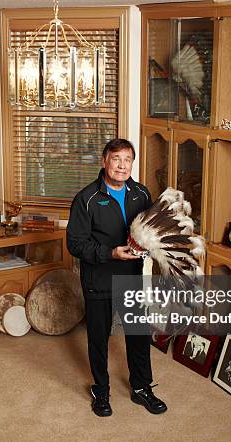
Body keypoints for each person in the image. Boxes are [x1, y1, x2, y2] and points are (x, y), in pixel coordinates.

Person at [67, 138, 167, 417]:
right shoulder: (86, 198)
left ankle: (142, 388)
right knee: (98, 337)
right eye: (116, 159)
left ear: (132, 163)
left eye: (127, 160)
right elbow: (75, 243)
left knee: (138, 334)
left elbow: (151, 230)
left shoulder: (142, 194)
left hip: (132, 277)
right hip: (99, 279)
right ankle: (101, 391)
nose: (122, 165)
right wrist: (110, 252)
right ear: (104, 161)